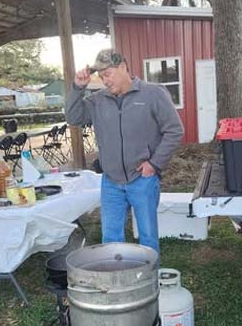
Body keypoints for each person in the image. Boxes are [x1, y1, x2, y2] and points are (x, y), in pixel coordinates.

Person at [65, 49, 183, 254]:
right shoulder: (97, 100)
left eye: (107, 74)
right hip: (111, 182)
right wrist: (77, 88)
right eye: (101, 77)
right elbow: (73, 117)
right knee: (110, 238)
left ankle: (149, 281)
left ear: (123, 68)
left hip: (143, 179)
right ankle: (117, 282)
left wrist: (154, 164)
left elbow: (174, 131)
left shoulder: (153, 93)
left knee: (147, 236)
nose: (105, 81)